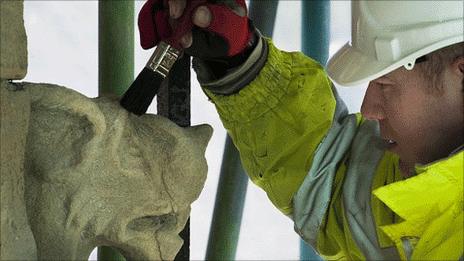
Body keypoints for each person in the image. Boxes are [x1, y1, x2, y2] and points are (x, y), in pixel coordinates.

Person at [138, 0, 464, 259]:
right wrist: (241, 62)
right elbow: (334, 182)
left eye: (386, 84)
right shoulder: (423, 180)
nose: (368, 108)